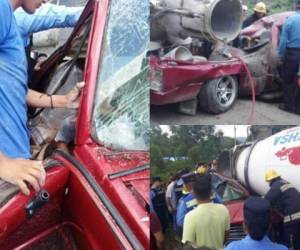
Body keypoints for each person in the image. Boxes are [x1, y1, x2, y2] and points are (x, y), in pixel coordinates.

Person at [0, 0, 84, 196]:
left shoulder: (10, 20)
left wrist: (62, 101)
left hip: (17, 163)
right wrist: (4, 164)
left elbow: (15, 87)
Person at [182, 174, 230, 249]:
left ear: (193, 194)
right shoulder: (223, 209)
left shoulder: (189, 217)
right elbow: (226, 234)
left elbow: (188, 244)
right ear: (211, 193)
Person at [264, 169, 300, 249]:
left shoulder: (276, 185)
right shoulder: (285, 182)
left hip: (292, 219)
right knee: (298, 242)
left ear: (270, 180)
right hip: (298, 217)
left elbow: (267, 200)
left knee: (289, 242)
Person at [277, 0, 300, 115]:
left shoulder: (290, 20)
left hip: (293, 54)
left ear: (296, 6)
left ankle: (289, 105)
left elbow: (283, 42)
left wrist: (280, 56)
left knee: (288, 80)